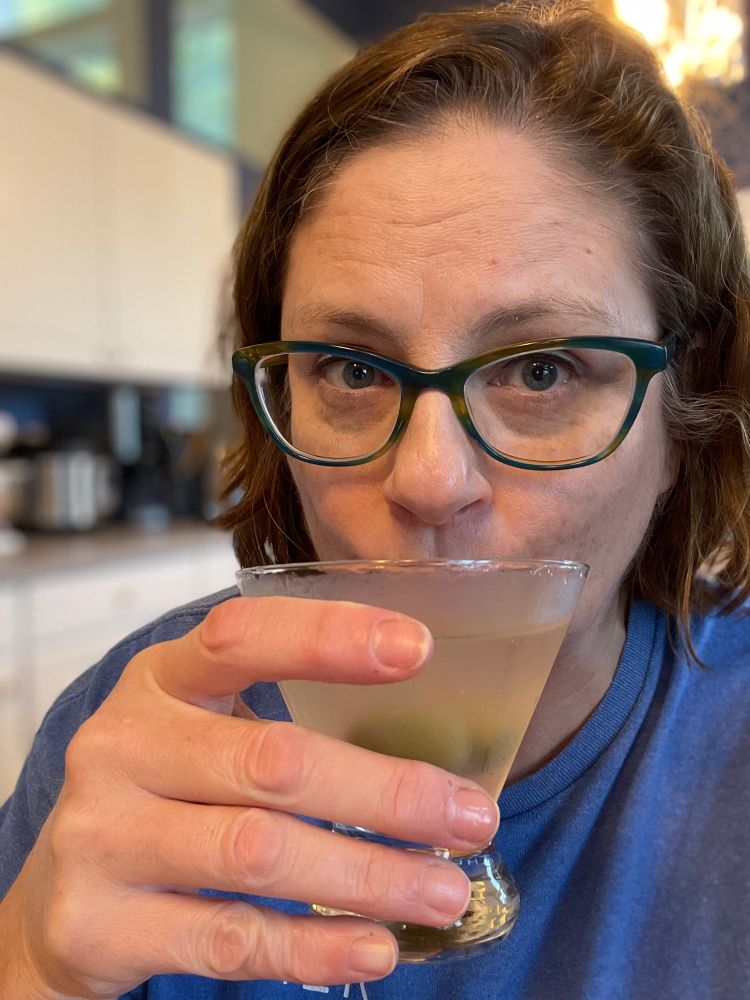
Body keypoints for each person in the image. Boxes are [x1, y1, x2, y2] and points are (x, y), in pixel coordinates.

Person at [2, 2, 749, 997]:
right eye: (351, 371)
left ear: (683, 413)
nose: (431, 481)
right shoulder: (128, 735)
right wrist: (31, 967)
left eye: (541, 372)